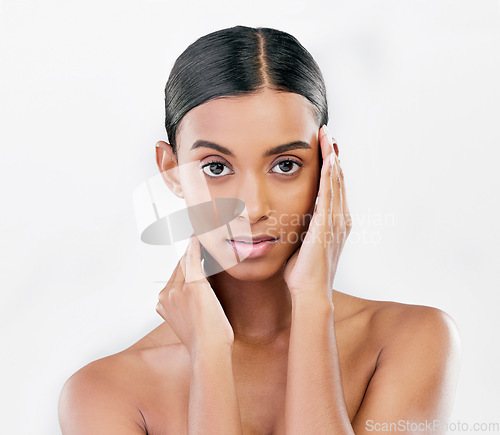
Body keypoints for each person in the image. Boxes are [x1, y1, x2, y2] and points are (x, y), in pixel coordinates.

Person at [58, 25, 461, 434]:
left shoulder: (410, 340)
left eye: (285, 165)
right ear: (170, 170)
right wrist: (209, 357)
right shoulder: (103, 392)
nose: (252, 209)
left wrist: (312, 303)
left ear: (327, 167)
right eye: (216, 167)